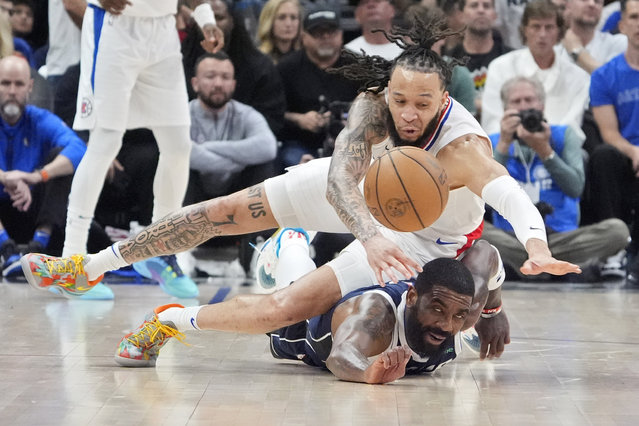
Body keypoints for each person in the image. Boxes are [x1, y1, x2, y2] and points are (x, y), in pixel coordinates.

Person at [22, 14, 579, 360]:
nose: (408, 114)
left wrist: (536, 248)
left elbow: (509, 199)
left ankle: (169, 321)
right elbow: (340, 178)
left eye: (422, 104)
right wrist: (368, 231)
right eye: (400, 100)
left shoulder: (463, 148)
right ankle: (89, 266)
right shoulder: (374, 106)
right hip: (364, 197)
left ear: (445, 99)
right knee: (218, 212)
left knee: (281, 310)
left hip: (420, 240)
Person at [61, 0, 224, 300]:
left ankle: (160, 248)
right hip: (115, 26)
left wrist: (205, 17)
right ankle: (72, 261)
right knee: (105, 142)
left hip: (163, 29)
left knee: (178, 144)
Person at [115, 254, 494, 383]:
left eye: (458, 315)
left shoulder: (463, 305)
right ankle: (170, 317)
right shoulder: (375, 317)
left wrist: (493, 309)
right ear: (413, 297)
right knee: (278, 306)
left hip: (370, 278)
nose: (447, 324)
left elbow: (487, 254)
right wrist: (368, 374)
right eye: (437, 310)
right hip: (307, 320)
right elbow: (342, 358)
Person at [482, 76, 629, 280]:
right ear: (505, 108)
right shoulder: (495, 141)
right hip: (512, 238)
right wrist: (504, 146)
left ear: (541, 105)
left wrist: (546, 151)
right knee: (476, 230)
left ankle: (529, 266)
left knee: (618, 231)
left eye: (529, 100)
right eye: (516, 102)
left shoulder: (562, 135)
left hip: (561, 238)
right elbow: (484, 198)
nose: (524, 107)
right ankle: (541, 265)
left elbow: (575, 187)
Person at [0, 56, 85, 277]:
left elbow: (78, 148)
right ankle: (5, 249)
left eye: (18, 84)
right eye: (5, 83)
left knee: (61, 158)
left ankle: (39, 246)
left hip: (34, 210)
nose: (11, 91)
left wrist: (36, 176)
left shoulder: (39, 119)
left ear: (30, 87)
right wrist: (4, 177)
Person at [585, 0, 639, 285]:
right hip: (626, 156)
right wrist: (634, 151)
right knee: (603, 154)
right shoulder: (605, 75)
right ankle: (613, 250)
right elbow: (609, 133)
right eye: (635, 17)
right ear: (623, 25)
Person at [481, 0, 590, 136]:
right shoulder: (500, 67)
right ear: (525, 30)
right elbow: (491, 126)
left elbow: (573, 131)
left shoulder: (578, 77)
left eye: (549, 27)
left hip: (560, 150)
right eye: (536, 27)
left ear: (559, 32)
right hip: (509, 148)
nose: (542, 34)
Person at [181, 0, 286, 135]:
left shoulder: (260, 67)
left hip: (246, 148)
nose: (213, 25)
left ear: (232, 21)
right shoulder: (181, 62)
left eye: (219, 18)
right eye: (207, 19)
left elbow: (271, 121)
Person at [185, 51, 278, 202]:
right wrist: (241, 160)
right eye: (210, 76)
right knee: (175, 165)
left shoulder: (246, 114)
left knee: (264, 165)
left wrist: (207, 147)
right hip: (194, 194)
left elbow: (268, 147)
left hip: (237, 192)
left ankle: (261, 226)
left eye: (225, 77)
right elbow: (182, 153)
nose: (218, 84)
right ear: (195, 83)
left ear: (233, 85)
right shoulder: (183, 115)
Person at [277, 6, 360, 167]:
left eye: (331, 32)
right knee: (292, 162)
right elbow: (272, 113)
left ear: (341, 35)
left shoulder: (359, 66)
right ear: (304, 37)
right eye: (318, 33)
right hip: (301, 143)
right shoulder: (286, 68)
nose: (326, 37)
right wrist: (299, 119)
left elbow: (375, 107)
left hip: (350, 142)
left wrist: (348, 119)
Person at [446, 0, 512, 117]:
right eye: (474, 5)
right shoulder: (448, 60)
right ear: (461, 15)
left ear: (495, 15)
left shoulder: (510, 58)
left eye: (486, 6)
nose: (481, 10)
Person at [558, 0, 627, 75]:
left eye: (597, 1)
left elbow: (615, 82)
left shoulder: (620, 43)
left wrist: (577, 51)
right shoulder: (552, 45)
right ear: (568, 4)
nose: (592, 4)